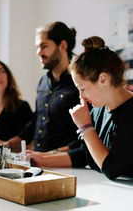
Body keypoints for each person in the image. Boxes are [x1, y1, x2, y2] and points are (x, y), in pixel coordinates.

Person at [30, 37, 133, 180]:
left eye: (82, 88)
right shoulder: (99, 108)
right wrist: (42, 159)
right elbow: (87, 152)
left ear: (103, 79)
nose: (81, 96)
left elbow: (112, 168)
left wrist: (85, 127)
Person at [2, 21, 80, 152]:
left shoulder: (81, 81)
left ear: (62, 45)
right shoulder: (43, 81)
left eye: (43, 46)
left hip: (68, 166)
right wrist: (7, 144)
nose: (39, 52)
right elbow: (37, 121)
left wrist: (53, 155)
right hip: (40, 161)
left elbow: (87, 132)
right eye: (38, 47)